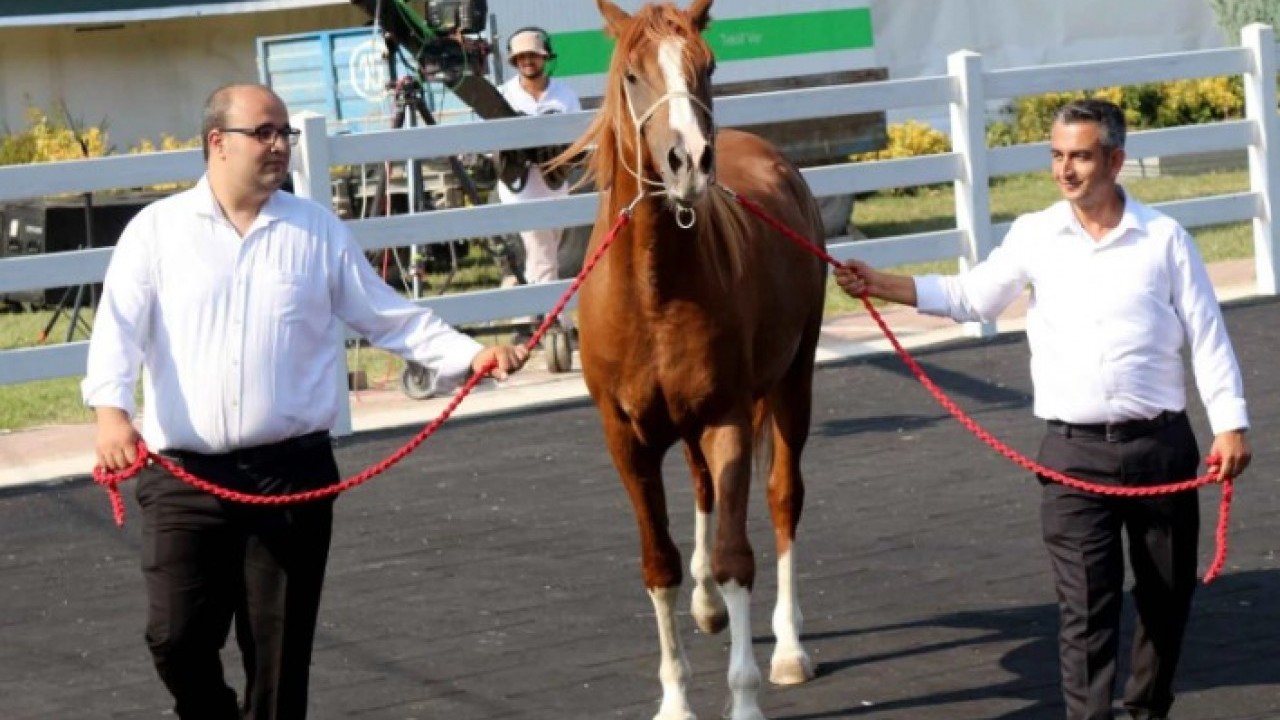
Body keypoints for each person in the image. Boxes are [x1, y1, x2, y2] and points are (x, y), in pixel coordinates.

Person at [81, 83, 529, 719]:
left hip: (292, 474)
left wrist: (467, 355)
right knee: (175, 639)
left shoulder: (314, 229)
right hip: (185, 478)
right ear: (217, 143)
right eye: (263, 132)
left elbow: (387, 317)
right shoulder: (155, 233)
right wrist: (110, 414)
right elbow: (117, 332)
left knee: (279, 658)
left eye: (283, 133)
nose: (278, 145)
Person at [835, 98, 1251, 720]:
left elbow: (1207, 334)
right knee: (1086, 607)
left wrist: (1231, 424)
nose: (1066, 169)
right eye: (1057, 156)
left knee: (1166, 601)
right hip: (1073, 457)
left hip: (1162, 448)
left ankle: (1146, 710)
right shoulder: (1034, 234)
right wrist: (880, 283)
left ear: (1115, 159)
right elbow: (970, 297)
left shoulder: (1165, 239)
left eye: (1080, 155)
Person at [496, 27, 582, 342]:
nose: (527, 61)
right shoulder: (503, 95)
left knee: (545, 252)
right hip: (519, 187)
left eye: (532, 55)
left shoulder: (564, 95)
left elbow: (577, 140)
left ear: (544, 57)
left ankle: (527, 318)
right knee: (541, 249)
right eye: (521, 57)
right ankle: (555, 320)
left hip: (554, 184)